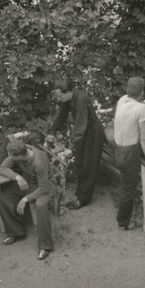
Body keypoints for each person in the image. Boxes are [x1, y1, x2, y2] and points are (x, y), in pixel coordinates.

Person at [46, 80, 104, 210]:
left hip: (92, 132)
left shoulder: (81, 99)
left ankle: (83, 199)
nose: (58, 99)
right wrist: (53, 131)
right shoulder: (67, 100)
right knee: (79, 162)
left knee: (88, 165)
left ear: (69, 92)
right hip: (83, 131)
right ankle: (80, 194)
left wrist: (71, 147)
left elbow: (80, 125)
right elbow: (62, 116)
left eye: (60, 96)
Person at [0, 139, 56, 260]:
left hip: (46, 186)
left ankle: (45, 245)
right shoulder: (20, 150)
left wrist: (24, 200)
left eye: (10, 156)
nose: (9, 157)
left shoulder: (39, 161)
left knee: (40, 205)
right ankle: (17, 232)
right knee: (3, 198)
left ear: (19, 156)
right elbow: (2, 168)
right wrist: (18, 177)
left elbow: (44, 188)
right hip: (28, 183)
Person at [113, 77, 145, 231]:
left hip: (118, 149)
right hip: (130, 153)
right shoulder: (141, 108)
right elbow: (144, 137)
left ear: (127, 90)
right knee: (127, 189)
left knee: (126, 184)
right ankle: (123, 222)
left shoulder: (122, 100)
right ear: (142, 93)